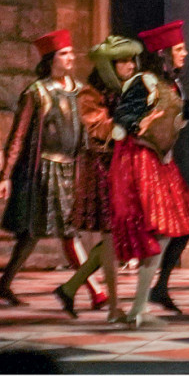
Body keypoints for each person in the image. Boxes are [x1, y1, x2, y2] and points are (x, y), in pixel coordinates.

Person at [106, 21, 189, 328]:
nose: (184, 53)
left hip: (160, 161)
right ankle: (138, 307)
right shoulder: (143, 81)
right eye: (179, 49)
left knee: (179, 225)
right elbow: (123, 114)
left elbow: (181, 110)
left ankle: (145, 300)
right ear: (163, 53)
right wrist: (139, 124)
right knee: (159, 231)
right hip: (141, 160)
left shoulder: (169, 84)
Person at [53, 36, 137, 321]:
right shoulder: (91, 94)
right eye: (123, 61)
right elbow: (99, 128)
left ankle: (70, 287)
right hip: (104, 169)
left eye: (131, 60)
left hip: (125, 167)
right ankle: (113, 308)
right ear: (109, 66)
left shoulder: (128, 89)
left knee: (119, 237)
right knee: (112, 237)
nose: (130, 65)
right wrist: (131, 121)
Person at [1, 31, 85, 306]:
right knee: (58, 231)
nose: (71, 57)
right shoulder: (37, 92)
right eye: (64, 53)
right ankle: (95, 291)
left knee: (36, 234)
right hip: (45, 172)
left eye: (71, 52)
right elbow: (18, 135)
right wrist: (6, 175)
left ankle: (4, 284)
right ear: (51, 59)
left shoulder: (79, 90)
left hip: (71, 169)